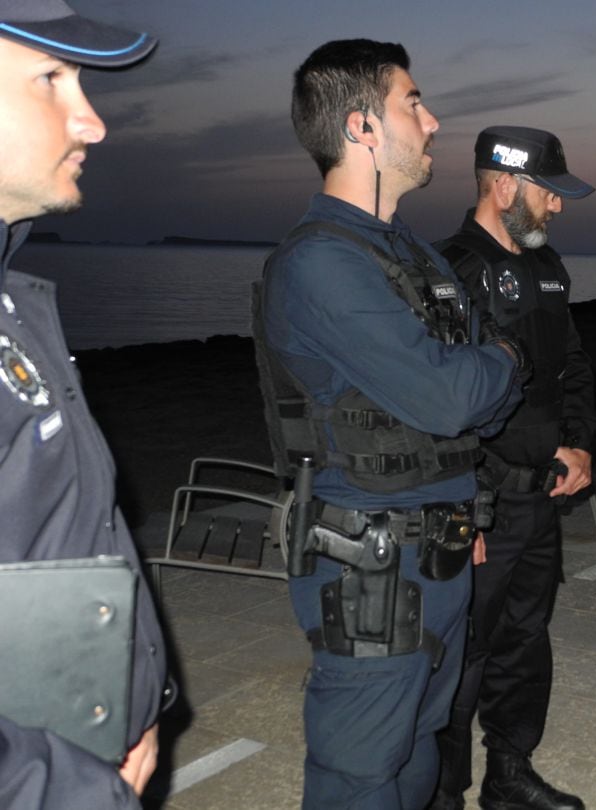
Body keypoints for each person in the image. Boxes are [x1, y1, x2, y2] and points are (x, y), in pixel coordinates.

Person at [254, 40, 525, 809]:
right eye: (414, 102)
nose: (433, 121)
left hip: (437, 547)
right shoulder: (320, 263)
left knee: (417, 755)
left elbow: (478, 398)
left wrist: (484, 375)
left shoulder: (411, 254)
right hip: (367, 565)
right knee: (362, 774)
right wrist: (501, 359)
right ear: (362, 127)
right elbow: (453, 395)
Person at [0, 2, 165, 807]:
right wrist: (69, 788)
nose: (92, 122)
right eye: (51, 78)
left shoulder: (13, 301)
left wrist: (133, 701)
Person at [430, 126, 596, 810]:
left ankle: (509, 772)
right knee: (459, 659)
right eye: (548, 193)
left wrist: (583, 443)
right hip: (483, 503)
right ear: (503, 184)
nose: (557, 207)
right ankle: (441, 794)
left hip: (539, 502)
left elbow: (577, 367)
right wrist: (462, 504)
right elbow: (440, 404)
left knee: (524, 643)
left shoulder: (548, 267)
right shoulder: (448, 272)